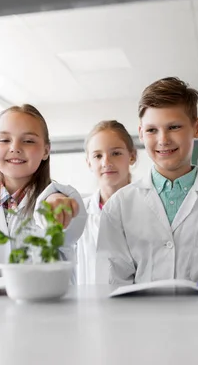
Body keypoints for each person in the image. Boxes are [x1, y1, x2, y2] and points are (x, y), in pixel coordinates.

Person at [96, 77, 198, 285]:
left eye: (174, 127)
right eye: (152, 130)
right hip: (137, 318)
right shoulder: (118, 206)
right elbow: (110, 287)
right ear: (141, 133)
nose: (163, 140)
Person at [0, 104, 87, 282]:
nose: (15, 148)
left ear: (46, 150)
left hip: (49, 307)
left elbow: (71, 226)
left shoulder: (58, 198)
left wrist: (57, 203)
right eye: (4, 140)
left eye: (29, 141)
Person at [77, 120, 137, 285]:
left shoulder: (148, 209)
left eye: (116, 153)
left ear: (132, 156)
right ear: (89, 162)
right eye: (98, 156)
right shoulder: (78, 213)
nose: (106, 162)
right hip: (88, 305)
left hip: (138, 306)